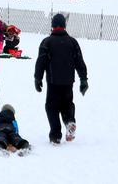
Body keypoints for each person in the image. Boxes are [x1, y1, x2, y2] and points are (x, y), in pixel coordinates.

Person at [34, 13, 88, 144]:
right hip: (68, 82)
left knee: (51, 107)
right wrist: (83, 79)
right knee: (67, 104)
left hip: (53, 82)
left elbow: (41, 62)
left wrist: (38, 78)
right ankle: (69, 122)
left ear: (52, 26)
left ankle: (55, 135)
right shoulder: (72, 42)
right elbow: (79, 61)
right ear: (64, 26)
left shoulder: (47, 42)